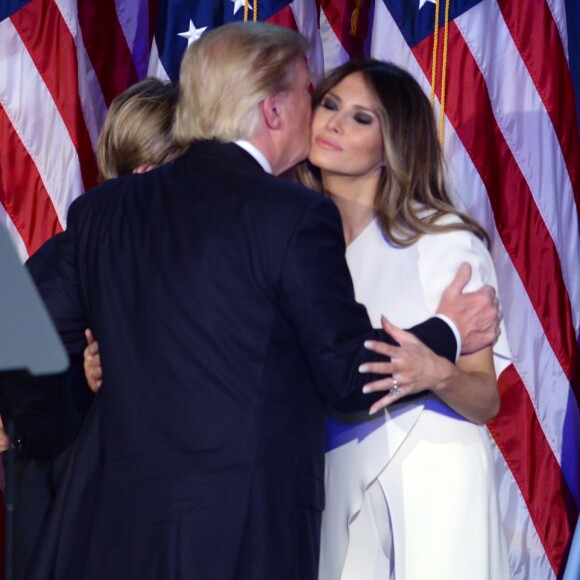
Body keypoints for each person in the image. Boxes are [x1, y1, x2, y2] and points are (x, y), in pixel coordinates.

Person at [12, 23, 500, 580]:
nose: (315, 109)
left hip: (114, 529)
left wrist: (52, 423)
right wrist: (449, 331)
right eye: (308, 94)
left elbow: (26, 325)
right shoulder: (292, 216)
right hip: (241, 535)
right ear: (274, 110)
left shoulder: (105, 210)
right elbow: (347, 378)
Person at [299, 59, 510, 579]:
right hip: (331, 474)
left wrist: (440, 373)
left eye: (361, 117)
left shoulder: (443, 240)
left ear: (394, 145)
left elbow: (486, 399)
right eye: (329, 105)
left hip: (433, 469)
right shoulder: (295, 244)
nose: (334, 123)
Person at [0, 77, 182, 580]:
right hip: (65, 501)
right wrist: (83, 384)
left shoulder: (81, 246)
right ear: (150, 171)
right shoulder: (75, 253)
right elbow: (16, 367)